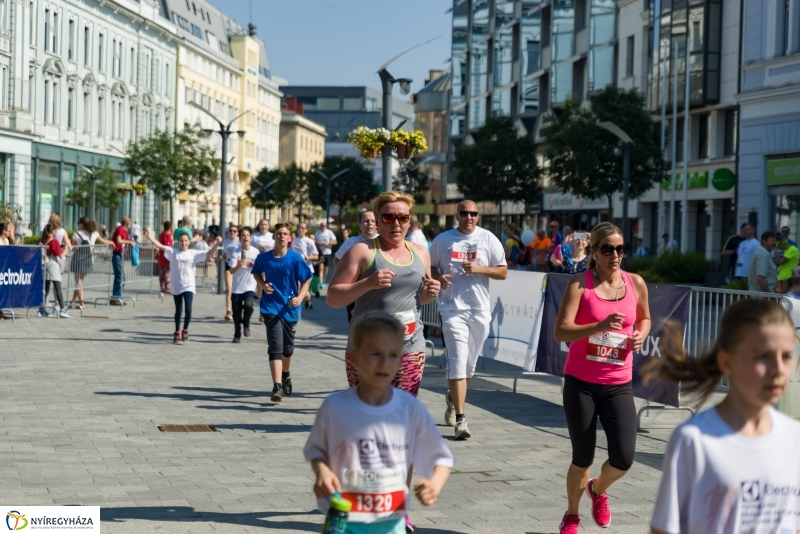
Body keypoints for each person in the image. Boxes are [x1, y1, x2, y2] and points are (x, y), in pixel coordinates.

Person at [649, 299, 800, 534]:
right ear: (726, 361)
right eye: (763, 356)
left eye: (787, 356)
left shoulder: (794, 438)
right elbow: (664, 528)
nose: (778, 369)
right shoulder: (695, 440)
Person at [304, 313, 454, 534]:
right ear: (354, 358)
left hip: (390, 520)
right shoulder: (334, 407)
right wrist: (323, 473)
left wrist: (434, 484)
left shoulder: (411, 410)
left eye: (393, 355)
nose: (385, 362)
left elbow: (442, 459)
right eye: (375, 354)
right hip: (342, 518)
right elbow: (316, 450)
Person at [553, 222, 651, 534]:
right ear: (594, 251)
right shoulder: (580, 285)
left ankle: (597, 490)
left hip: (618, 383)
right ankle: (571, 515)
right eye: (607, 248)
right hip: (581, 383)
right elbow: (560, 332)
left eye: (620, 249)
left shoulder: (635, 283)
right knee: (582, 457)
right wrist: (599, 327)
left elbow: (646, 317)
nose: (615, 255)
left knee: (623, 458)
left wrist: (639, 334)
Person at [328, 191, 440, 399]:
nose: (396, 224)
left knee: (403, 407)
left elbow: (420, 298)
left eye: (403, 218)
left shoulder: (421, 252)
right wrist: (368, 283)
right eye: (389, 218)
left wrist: (430, 293)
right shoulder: (362, 251)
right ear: (378, 221)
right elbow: (333, 297)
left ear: (409, 222)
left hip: (410, 344)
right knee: (368, 410)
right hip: (367, 347)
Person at [430, 200, 507, 440]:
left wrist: (480, 269)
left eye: (473, 213)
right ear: (457, 215)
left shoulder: (488, 238)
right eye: (464, 213)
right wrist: (438, 277)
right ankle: (461, 420)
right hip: (452, 308)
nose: (469, 217)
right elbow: (429, 267)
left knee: (470, 365)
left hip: (479, 309)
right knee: (458, 359)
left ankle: (453, 398)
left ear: (478, 216)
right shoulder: (443, 240)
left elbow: (503, 271)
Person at [251, 223, 313, 402]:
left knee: (288, 348)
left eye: (285, 234)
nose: (282, 236)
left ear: (289, 238)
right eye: (279, 233)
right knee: (275, 346)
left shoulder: (295, 259)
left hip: (290, 307)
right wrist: (263, 285)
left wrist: (301, 297)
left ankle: (286, 374)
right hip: (270, 306)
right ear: (274, 236)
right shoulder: (264, 258)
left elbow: (307, 280)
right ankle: (277, 386)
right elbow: (256, 273)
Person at [143, 228, 221, 343]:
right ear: (178, 242)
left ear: (189, 242)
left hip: (189, 285)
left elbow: (209, 254)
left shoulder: (193, 253)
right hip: (177, 285)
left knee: (188, 310)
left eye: (185, 241)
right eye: (181, 241)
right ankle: (177, 331)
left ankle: (185, 329)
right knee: (179, 310)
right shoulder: (173, 252)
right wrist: (149, 237)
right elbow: (160, 245)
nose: (184, 243)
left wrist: (218, 243)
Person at [335, 210, 378, 320]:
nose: (370, 224)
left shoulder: (383, 241)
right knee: (356, 327)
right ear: (360, 225)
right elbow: (337, 259)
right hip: (355, 292)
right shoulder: (351, 242)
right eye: (366, 221)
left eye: (373, 221)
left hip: (377, 292)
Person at [69, 217, 114, 309]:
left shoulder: (77, 234)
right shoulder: (94, 233)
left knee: (78, 282)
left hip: (78, 260)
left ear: (82, 224)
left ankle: (82, 304)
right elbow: (104, 241)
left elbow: (71, 246)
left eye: (78, 223)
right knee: (80, 282)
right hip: (89, 259)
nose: (77, 225)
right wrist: (112, 243)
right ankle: (73, 303)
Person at [227, 227, 259, 343]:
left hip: (250, 285)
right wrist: (240, 264)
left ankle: (246, 322)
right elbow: (231, 271)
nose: (246, 237)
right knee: (236, 314)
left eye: (247, 235)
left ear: (250, 238)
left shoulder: (255, 252)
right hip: (237, 287)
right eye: (243, 236)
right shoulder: (236, 252)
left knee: (249, 306)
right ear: (240, 239)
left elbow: (259, 268)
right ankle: (237, 334)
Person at [37, 223, 69, 318]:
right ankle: (62, 309)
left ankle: (41, 309)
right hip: (52, 265)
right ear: (53, 231)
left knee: (45, 289)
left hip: (44, 266)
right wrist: (66, 248)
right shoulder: (54, 241)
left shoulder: (41, 240)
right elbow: (61, 255)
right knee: (58, 287)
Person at [291, 222, 319, 310]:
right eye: (299, 227)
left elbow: (316, 256)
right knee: (299, 288)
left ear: (306, 230)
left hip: (307, 269)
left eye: (303, 228)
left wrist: (306, 257)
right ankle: (306, 299)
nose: (301, 229)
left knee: (303, 289)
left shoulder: (309, 241)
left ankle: (306, 299)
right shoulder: (294, 241)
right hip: (295, 268)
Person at [110, 217, 136, 306]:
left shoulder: (124, 231)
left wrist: (131, 241)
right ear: (127, 223)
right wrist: (129, 242)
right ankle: (116, 298)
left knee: (121, 277)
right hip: (117, 254)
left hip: (121, 255)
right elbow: (119, 240)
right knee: (120, 276)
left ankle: (118, 296)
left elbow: (125, 239)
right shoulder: (120, 229)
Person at [221, 226, 240, 321]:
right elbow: (227, 254)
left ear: (237, 232)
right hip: (229, 266)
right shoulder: (225, 242)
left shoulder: (240, 242)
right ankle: (228, 311)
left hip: (239, 268)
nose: (232, 232)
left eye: (234, 231)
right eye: (230, 231)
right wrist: (222, 256)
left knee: (237, 290)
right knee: (229, 289)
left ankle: (238, 310)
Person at [314, 220, 337, 288]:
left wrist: (328, 243)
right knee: (320, 267)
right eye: (322, 225)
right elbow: (314, 242)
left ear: (326, 226)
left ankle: (323, 279)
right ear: (320, 226)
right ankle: (320, 282)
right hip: (320, 253)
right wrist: (317, 244)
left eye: (325, 225)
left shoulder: (329, 232)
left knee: (325, 268)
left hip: (327, 252)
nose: (323, 227)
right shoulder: (317, 233)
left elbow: (335, 241)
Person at [157, 222, 173, 294]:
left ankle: (162, 287)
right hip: (167, 256)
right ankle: (167, 287)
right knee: (167, 272)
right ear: (170, 227)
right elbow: (168, 246)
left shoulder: (161, 235)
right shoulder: (169, 235)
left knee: (162, 272)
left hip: (161, 256)